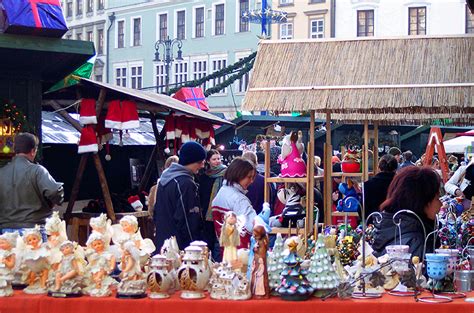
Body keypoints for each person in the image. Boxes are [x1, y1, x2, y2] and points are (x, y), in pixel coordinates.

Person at [0, 133, 64, 236]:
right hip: (33, 231)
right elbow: (54, 191)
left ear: (15, 150)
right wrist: (53, 202)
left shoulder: (2, 172)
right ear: (33, 151)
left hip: (6, 233)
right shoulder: (37, 171)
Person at [371, 166, 442, 259]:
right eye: (437, 198)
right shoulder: (415, 242)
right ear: (422, 202)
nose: (441, 204)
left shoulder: (394, 228)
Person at [154, 141, 206, 250]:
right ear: (191, 160)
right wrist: (195, 247)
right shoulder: (185, 183)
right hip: (181, 248)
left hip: (164, 242)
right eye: (200, 161)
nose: (202, 165)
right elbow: (187, 221)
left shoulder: (165, 180)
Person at [211, 157, 257, 249]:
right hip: (241, 253)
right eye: (249, 177)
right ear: (238, 175)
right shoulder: (239, 199)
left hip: (225, 251)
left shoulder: (221, 193)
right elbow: (253, 226)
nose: (251, 181)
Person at [198, 149, 226, 262]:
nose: (217, 161)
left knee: (220, 240)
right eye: (214, 159)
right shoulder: (204, 177)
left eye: (218, 158)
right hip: (207, 214)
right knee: (209, 239)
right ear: (208, 161)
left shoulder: (226, 173)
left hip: (222, 212)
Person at [361, 154, 398, 221]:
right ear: (395, 169)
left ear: (379, 168)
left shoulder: (368, 185)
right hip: (397, 224)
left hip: (374, 224)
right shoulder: (400, 184)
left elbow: (362, 210)